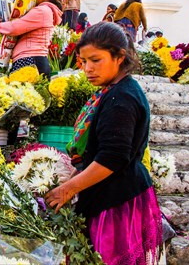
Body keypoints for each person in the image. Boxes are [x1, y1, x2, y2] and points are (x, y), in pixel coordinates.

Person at [45, 22, 162, 265]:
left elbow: (112, 158)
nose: (88, 68)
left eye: (96, 60)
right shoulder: (113, 90)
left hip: (117, 202)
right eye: (84, 61)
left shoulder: (122, 98)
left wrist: (67, 190)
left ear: (119, 56)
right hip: (113, 193)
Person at [0, 0, 63, 78]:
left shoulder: (42, 11)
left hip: (30, 59)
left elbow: (15, 28)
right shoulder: (44, 10)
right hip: (32, 59)